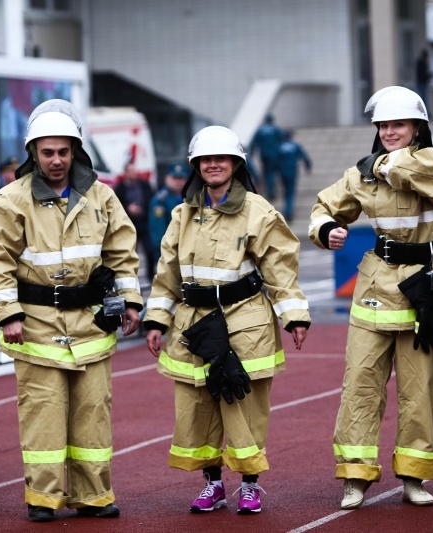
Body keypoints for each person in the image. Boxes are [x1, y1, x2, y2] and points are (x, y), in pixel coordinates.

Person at [0, 99, 143, 522]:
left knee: (93, 415)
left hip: (90, 325)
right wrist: (7, 314)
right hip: (36, 327)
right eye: (47, 152)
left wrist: (131, 301)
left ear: (75, 151)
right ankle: (43, 498)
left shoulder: (101, 197)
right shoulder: (9, 201)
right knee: (43, 418)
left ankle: (94, 495)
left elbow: (122, 253)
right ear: (33, 153)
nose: (56, 160)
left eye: (63, 152)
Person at [309, 86, 433, 510]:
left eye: (397, 124)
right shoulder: (362, 173)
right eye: (382, 125)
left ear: (418, 127)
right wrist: (328, 229)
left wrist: (375, 166)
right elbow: (324, 207)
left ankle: (414, 478)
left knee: (420, 391)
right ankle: (355, 478)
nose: (388, 132)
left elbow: (409, 171)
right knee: (360, 386)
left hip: (429, 287)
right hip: (377, 288)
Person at [143, 125, 310, 515]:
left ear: (236, 163)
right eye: (205, 159)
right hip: (192, 323)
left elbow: (280, 269)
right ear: (196, 165)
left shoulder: (259, 211)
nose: (213, 164)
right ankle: (213, 485)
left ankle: (250, 485)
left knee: (244, 407)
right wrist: (156, 321)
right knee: (197, 407)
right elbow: (167, 272)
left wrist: (295, 316)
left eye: (221, 158)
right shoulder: (182, 214)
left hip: (244, 321)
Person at [115, 161, 154, 283]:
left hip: (144, 222)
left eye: (135, 171)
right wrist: (129, 208)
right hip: (129, 224)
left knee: (150, 250)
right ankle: (132, 278)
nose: (133, 173)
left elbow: (152, 201)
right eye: (131, 171)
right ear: (125, 173)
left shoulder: (144, 185)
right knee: (130, 253)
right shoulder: (119, 188)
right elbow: (117, 206)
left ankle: (150, 275)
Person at [148, 161, 187, 266]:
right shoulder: (160, 200)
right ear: (167, 178)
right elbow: (157, 230)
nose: (178, 182)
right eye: (175, 178)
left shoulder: (189, 197)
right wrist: (163, 253)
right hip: (168, 252)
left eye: (181, 178)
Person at [276, 130, 311, 221]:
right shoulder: (295, 146)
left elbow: (275, 160)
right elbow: (304, 157)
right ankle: (288, 213)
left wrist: (277, 171)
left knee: (286, 192)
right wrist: (308, 168)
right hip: (292, 172)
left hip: (283, 172)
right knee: (290, 193)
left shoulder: (279, 147)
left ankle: (286, 209)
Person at [249, 113, 283, 200]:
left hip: (264, 154)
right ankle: (271, 192)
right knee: (271, 172)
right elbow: (282, 142)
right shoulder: (276, 129)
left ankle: (268, 189)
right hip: (274, 154)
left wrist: (251, 154)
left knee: (267, 172)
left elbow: (254, 143)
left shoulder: (260, 130)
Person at [415, 49, 433, 115]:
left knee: (424, 99)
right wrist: (428, 75)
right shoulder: (421, 63)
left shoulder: (423, 63)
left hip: (423, 83)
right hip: (421, 83)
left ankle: (425, 112)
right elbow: (421, 73)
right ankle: (424, 113)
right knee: (423, 99)